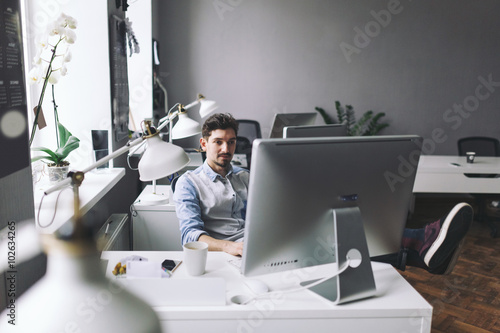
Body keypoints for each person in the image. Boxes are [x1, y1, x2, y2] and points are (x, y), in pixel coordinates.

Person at [173, 113, 473, 275]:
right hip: (236, 254)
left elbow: (275, 210)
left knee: (338, 221)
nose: (226, 149)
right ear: (203, 144)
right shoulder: (189, 183)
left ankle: (422, 247)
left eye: (232, 142)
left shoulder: (246, 176)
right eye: (218, 143)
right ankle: (420, 244)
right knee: (335, 241)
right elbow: (190, 236)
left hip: (269, 241)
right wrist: (228, 247)